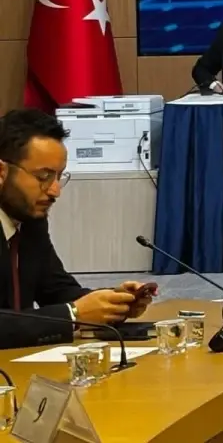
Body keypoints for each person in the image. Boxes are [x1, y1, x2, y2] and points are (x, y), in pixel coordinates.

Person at [0, 109, 157, 349]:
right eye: (43, 176)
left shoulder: (31, 221)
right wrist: (73, 314)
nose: (55, 191)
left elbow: (56, 290)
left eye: (59, 176)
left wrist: (113, 302)